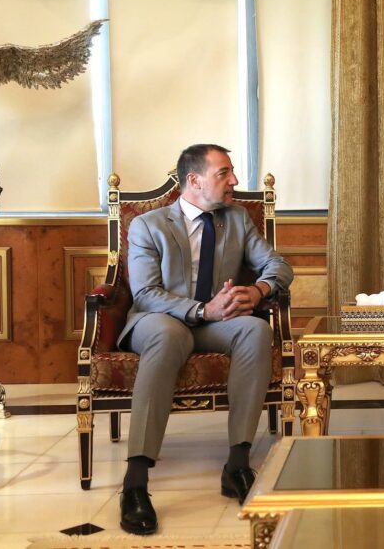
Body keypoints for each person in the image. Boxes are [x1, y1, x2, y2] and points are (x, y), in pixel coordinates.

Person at [117, 144, 293, 535]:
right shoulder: (148, 225)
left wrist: (260, 290)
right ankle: (135, 482)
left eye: (232, 172)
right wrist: (202, 310)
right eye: (224, 173)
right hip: (159, 320)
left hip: (216, 322)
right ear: (194, 181)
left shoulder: (237, 219)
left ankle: (237, 465)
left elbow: (278, 265)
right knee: (167, 336)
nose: (234, 181)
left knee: (255, 329)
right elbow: (145, 293)